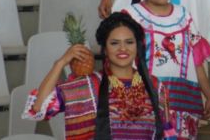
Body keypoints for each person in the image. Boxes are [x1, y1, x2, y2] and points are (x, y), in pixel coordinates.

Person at [22, 13, 175, 139]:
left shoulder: (155, 86)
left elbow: (168, 133)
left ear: (137, 46)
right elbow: (38, 107)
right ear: (105, 49)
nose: (123, 48)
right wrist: (60, 63)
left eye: (129, 42)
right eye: (114, 43)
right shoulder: (87, 87)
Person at [123, 0, 210, 139]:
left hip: (182, 102)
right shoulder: (131, 16)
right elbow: (121, 61)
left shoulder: (184, 15)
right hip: (144, 99)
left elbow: (196, 61)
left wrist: (209, 94)